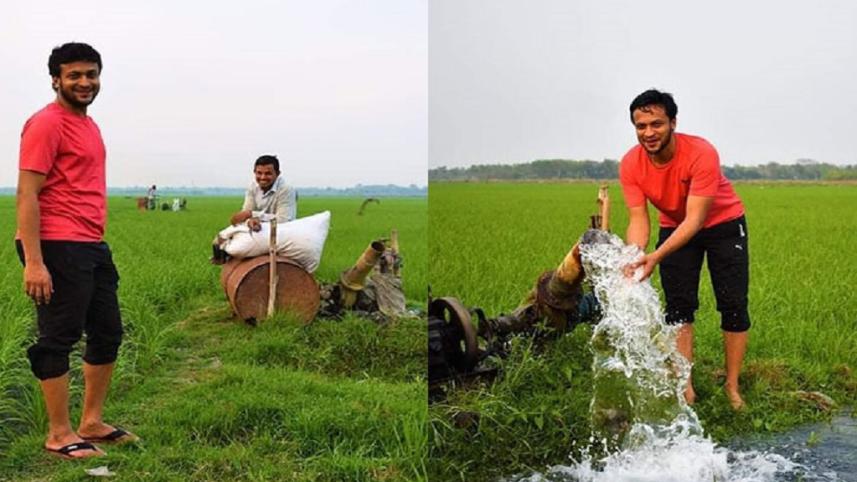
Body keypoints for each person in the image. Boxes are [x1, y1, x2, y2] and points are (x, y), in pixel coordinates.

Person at [16, 42, 137, 460]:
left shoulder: (89, 124)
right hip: (57, 243)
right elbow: (27, 194)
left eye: (91, 74)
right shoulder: (47, 124)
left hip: (90, 244)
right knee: (59, 337)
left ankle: (91, 422)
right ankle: (58, 434)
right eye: (74, 75)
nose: (84, 82)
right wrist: (34, 261)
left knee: (107, 332)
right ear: (56, 79)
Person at [619, 89, 749, 410]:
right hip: (674, 225)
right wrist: (635, 256)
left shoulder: (701, 153)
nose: (648, 133)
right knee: (678, 308)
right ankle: (685, 387)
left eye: (656, 124)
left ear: (673, 123)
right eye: (641, 126)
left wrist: (657, 256)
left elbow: (695, 220)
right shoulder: (631, 164)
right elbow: (638, 220)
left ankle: (732, 387)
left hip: (723, 225)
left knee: (732, 305)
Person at [211, 155, 297, 263]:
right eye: (259, 173)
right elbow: (246, 212)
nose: (263, 177)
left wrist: (253, 215)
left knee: (240, 244)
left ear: (277, 173)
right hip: (258, 227)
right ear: (254, 172)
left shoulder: (286, 190)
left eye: (268, 173)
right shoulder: (252, 187)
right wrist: (250, 220)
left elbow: (284, 220)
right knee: (219, 240)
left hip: (280, 231)